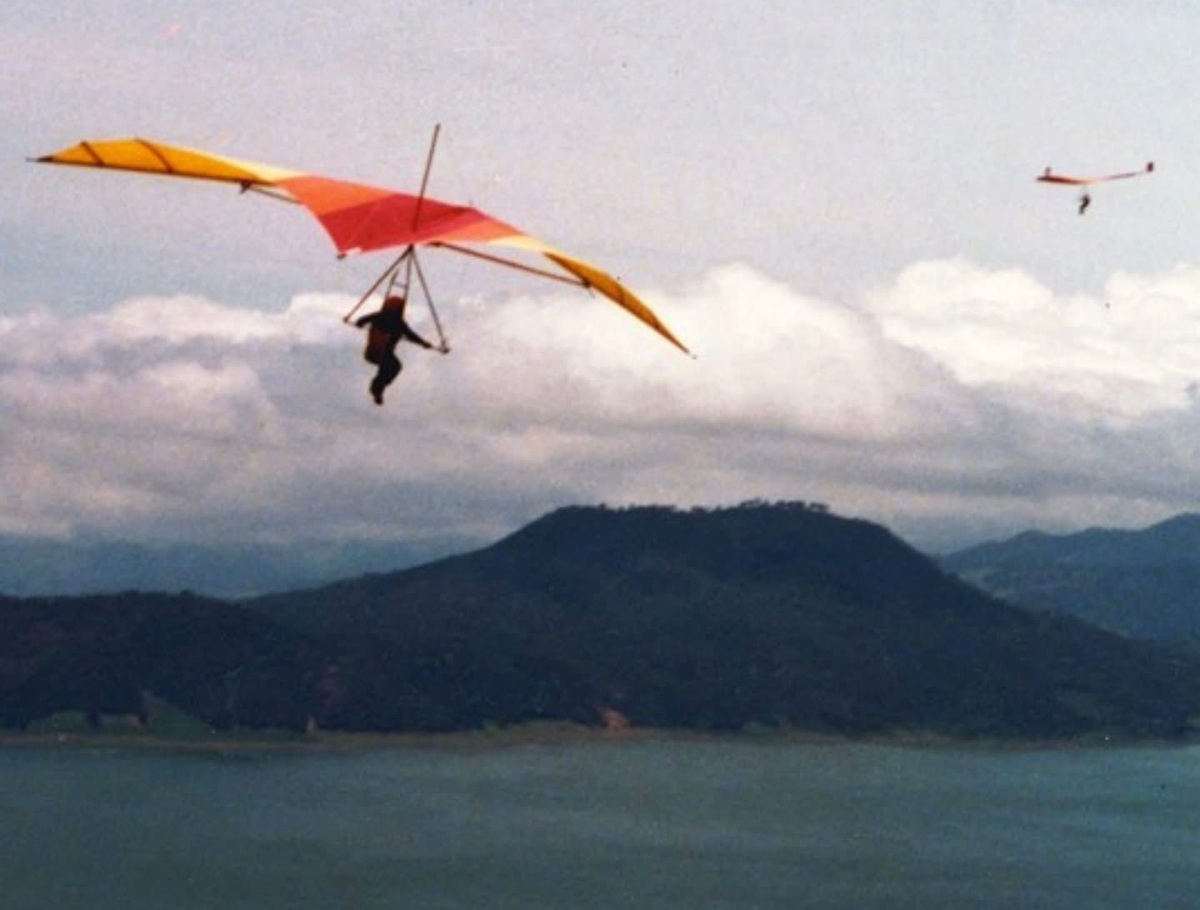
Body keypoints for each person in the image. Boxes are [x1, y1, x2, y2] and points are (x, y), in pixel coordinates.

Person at [354, 294, 444, 405]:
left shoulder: (379, 317)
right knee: (394, 366)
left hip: (374, 353)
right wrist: (423, 343)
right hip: (379, 353)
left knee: (389, 366)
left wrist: (360, 324)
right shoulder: (397, 322)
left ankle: (377, 388)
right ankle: (377, 387)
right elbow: (411, 335)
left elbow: (360, 321)